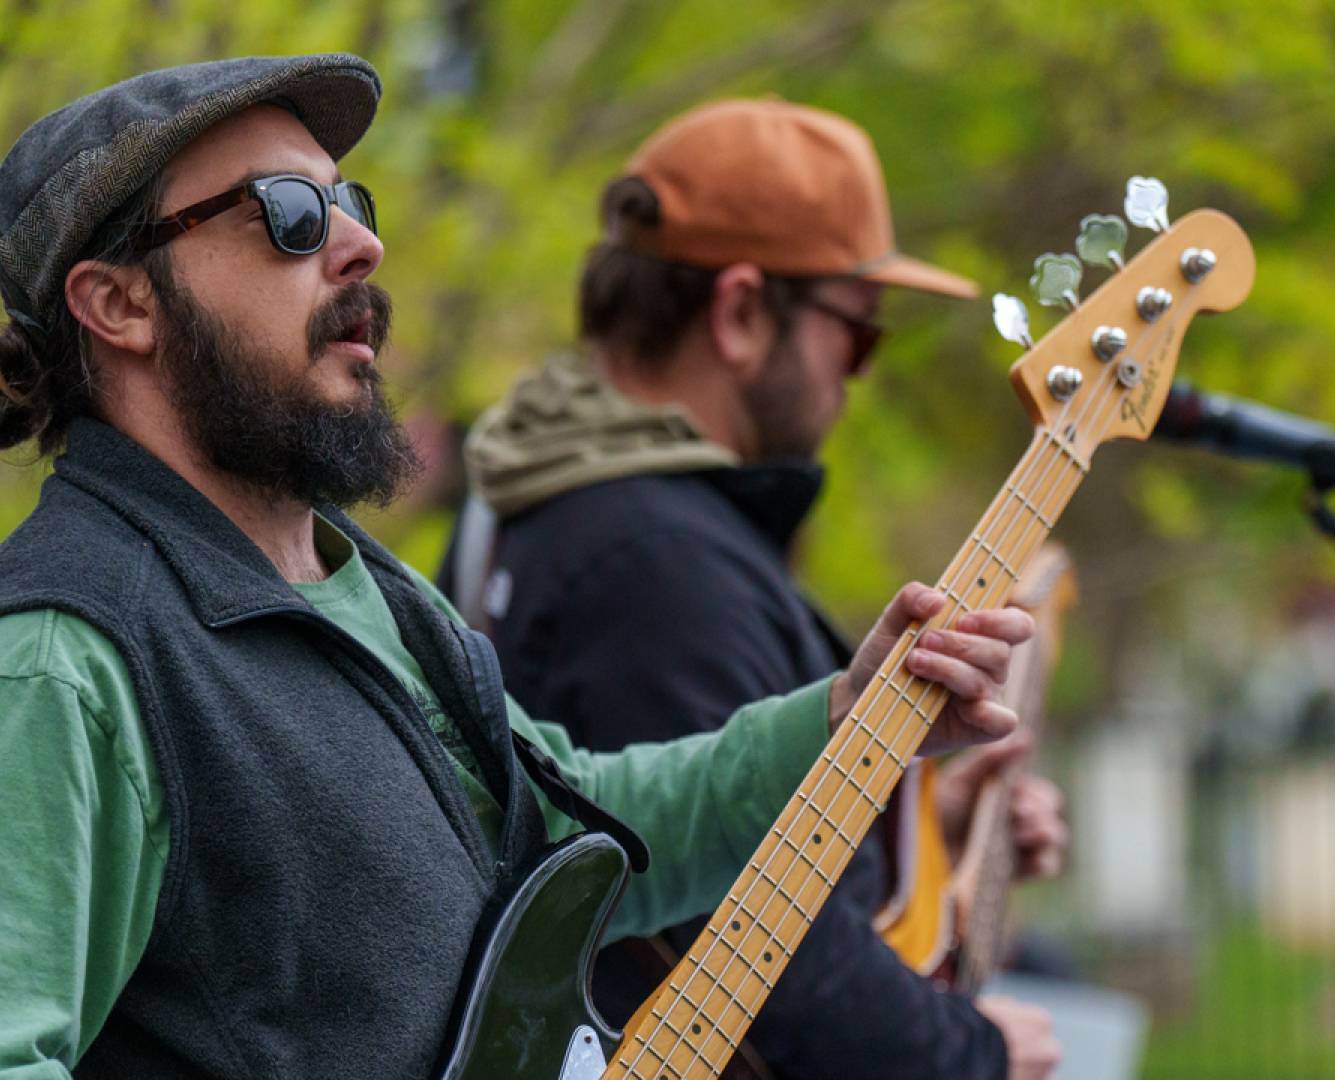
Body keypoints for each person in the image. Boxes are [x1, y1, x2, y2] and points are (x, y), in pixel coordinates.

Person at [0, 56, 1034, 1079]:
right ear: (118, 304)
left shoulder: (365, 593)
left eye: (348, 203)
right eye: (287, 215)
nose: (360, 245)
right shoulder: (59, 663)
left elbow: (583, 830)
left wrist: (843, 719)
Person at [440, 99, 1066, 1080]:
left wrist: (930, 840)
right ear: (738, 312)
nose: (853, 378)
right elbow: (765, 946)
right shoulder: (656, 563)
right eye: (856, 335)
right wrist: (976, 1056)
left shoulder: (530, 502)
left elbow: (660, 872)